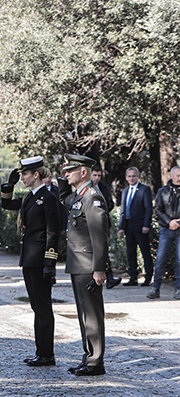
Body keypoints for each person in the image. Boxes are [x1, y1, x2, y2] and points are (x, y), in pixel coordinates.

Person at [0, 157, 60, 367]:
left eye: (25, 174)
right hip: (28, 259)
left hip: (40, 260)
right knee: (37, 307)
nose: (22, 177)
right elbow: (7, 204)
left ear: (36, 174)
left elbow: (52, 232)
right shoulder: (29, 198)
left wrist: (49, 263)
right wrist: (9, 186)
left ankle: (47, 354)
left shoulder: (48, 197)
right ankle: (41, 351)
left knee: (43, 308)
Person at [58, 154, 109, 376]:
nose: (66, 174)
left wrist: (100, 268)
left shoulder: (92, 198)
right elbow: (63, 199)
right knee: (83, 314)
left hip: (88, 264)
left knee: (92, 314)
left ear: (84, 172)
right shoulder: (79, 196)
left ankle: (96, 361)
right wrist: (62, 178)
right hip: (78, 264)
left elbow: (99, 236)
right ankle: (88, 356)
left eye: (70, 171)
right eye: (65, 171)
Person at [148, 166, 180, 300]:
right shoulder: (163, 191)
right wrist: (169, 222)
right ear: (171, 176)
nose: (179, 177)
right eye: (177, 175)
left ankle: (178, 289)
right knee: (160, 259)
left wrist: (178, 222)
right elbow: (158, 210)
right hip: (166, 229)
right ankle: (156, 288)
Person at [118, 167, 154, 286]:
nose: (131, 178)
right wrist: (121, 227)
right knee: (130, 252)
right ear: (126, 178)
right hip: (128, 226)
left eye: (134, 176)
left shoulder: (144, 189)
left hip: (141, 226)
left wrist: (146, 225)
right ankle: (133, 277)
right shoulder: (125, 191)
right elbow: (123, 210)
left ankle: (148, 277)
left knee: (145, 252)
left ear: (138, 176)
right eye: (129, 176)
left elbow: (148, 209)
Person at [91, 165, 121, 289]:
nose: (97, 178)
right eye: (95, 175)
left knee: (103, 249)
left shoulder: (103, 187)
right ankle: (105, 277)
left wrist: (101, 211)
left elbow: (110, 203)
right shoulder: (87, 188)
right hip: (90, 223)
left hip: (103, 222)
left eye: (99, 175)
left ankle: (109, 278)